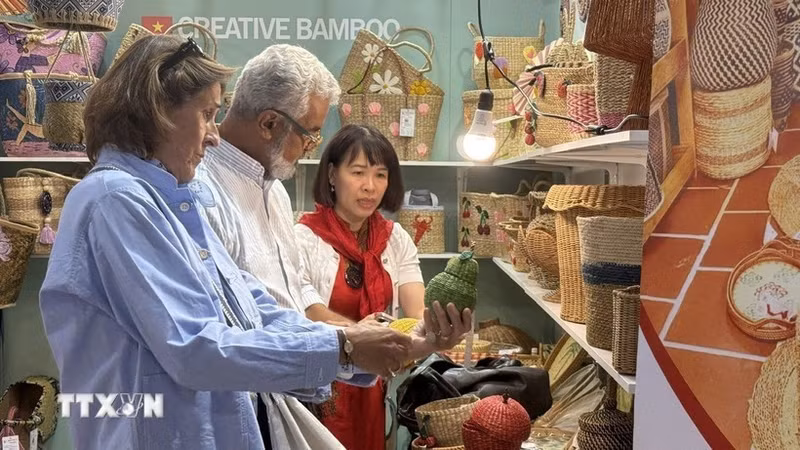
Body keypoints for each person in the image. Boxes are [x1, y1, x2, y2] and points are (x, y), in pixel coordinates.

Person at [37, 35, 416, 450]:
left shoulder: (171, 200)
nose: (214, 136)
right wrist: (343, 347)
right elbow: (194, 347)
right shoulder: (116, 200)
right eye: (206, 115)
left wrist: (354, 349)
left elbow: (252, 308)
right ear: (158, 113)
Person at [193, 45, 472, 449]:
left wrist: (391, 339)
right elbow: (228, 334)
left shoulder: (274, 194)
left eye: (379, 174)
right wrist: (348, 343)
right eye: (309, 133)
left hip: (297, 392)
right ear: (269, 123)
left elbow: (288, 301)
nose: (311, 145)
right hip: (248, 407)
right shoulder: (205, 193)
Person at [295, 124, 450, 449]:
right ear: (333, 175)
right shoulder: (303, 237)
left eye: (380, 175)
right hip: (318, 391)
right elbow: (309, 312)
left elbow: (416, 308)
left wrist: (439, 325)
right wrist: (364, 341)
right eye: (358, 172)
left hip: (374, 392)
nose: (370, 186)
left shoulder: (395, 239)